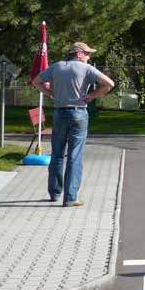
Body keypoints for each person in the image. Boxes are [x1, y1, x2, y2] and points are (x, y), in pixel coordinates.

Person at [32, 42, 115, 207]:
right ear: (78, 53)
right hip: (78, 113)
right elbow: (109, 84)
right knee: (74, 156)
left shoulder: (56, 67)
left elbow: (36, 81)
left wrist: (50, 94)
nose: (89, 57)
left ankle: (54, 193)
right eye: (87, 53)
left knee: (56, 154)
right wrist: (92, 96)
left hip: (59, 113)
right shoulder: (86, 69)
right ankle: (70, 198)